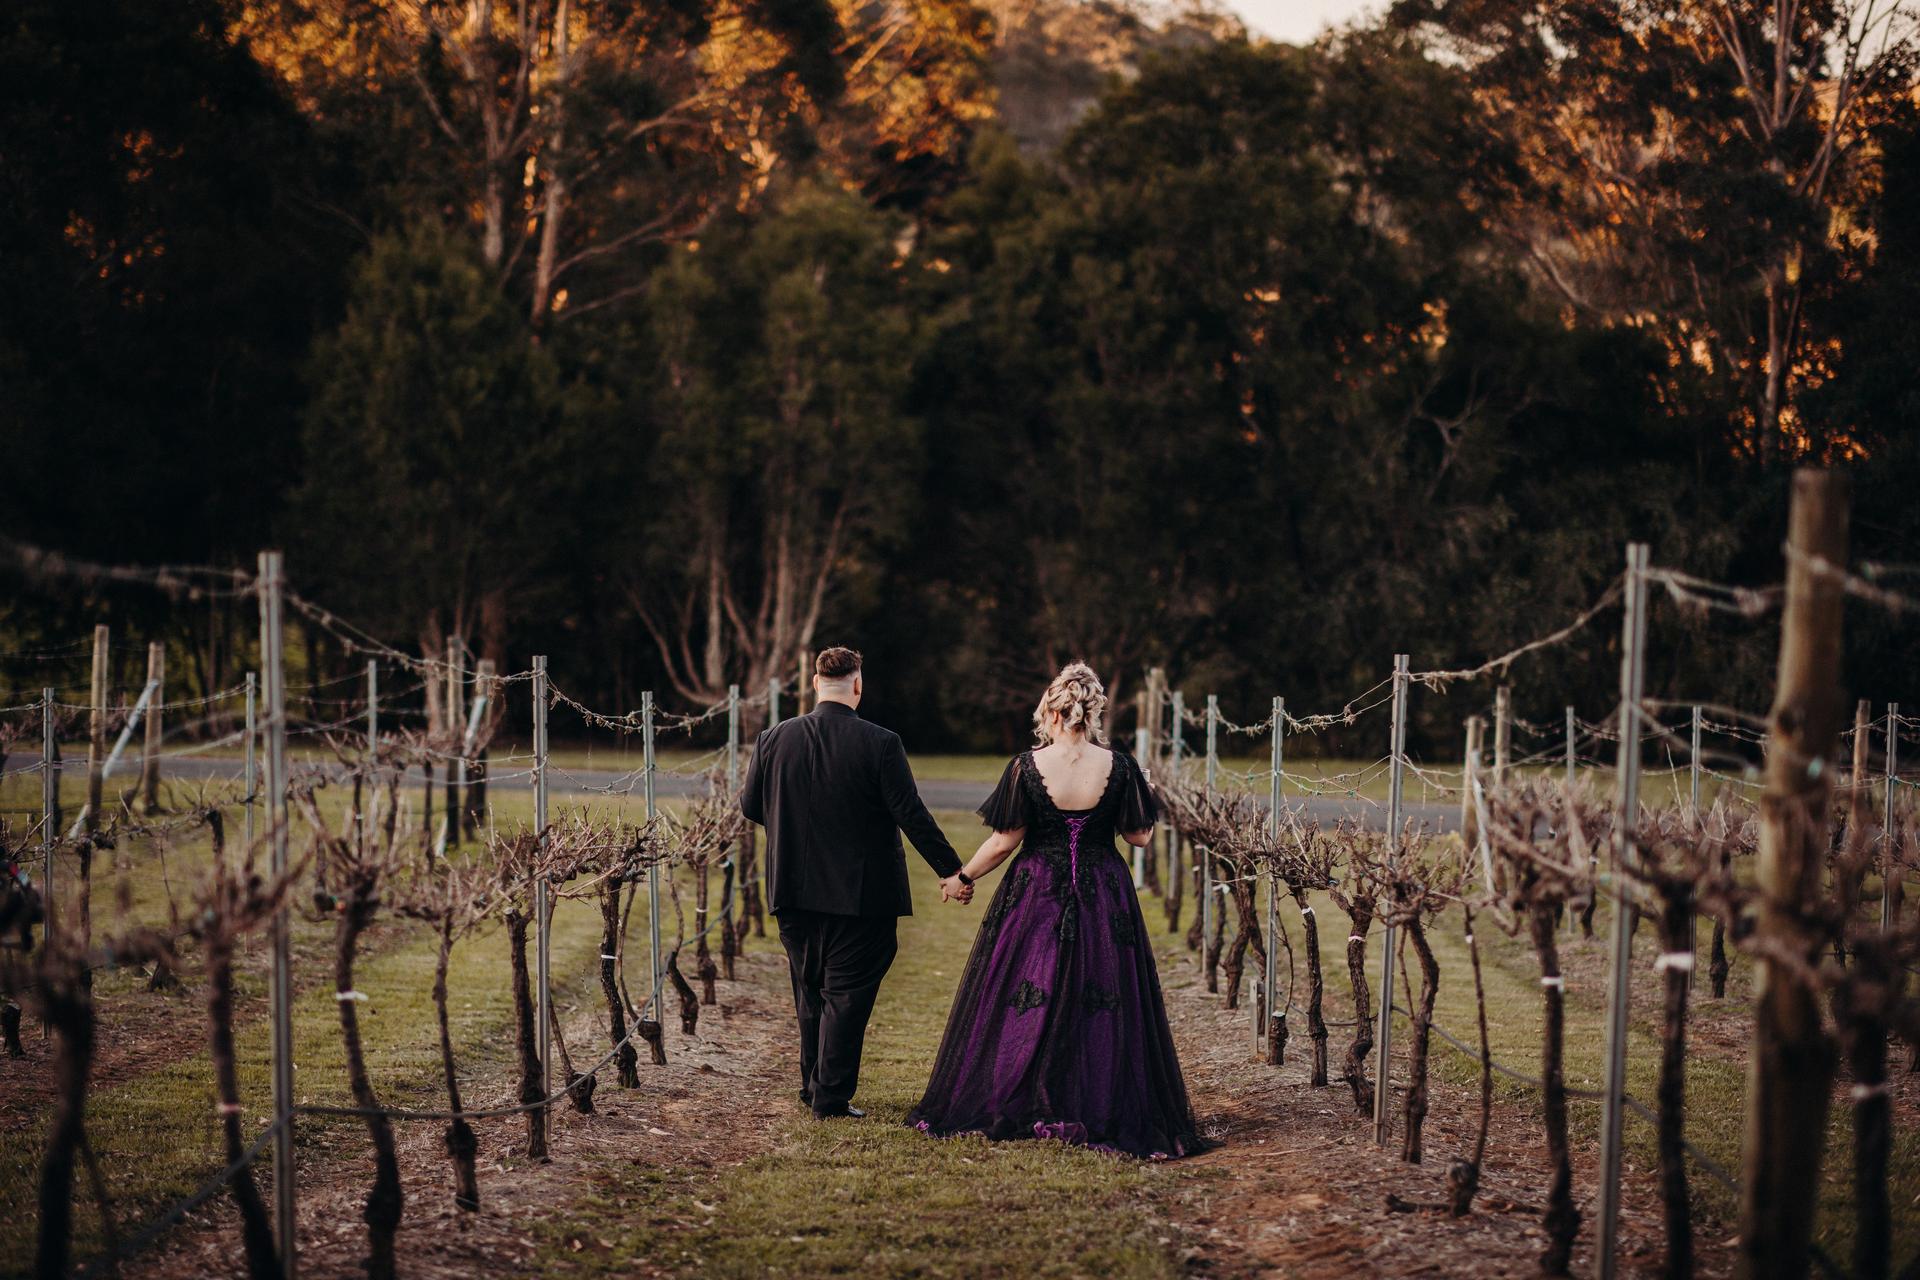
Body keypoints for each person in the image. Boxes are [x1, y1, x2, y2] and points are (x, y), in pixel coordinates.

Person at [906, 662, 1206, 1159]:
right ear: (1094, 712)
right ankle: (1094, 1097)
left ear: (1050, 709)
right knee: (1102, 992)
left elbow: (1004, 842)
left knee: (1029, 990)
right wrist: (1144, 788)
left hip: (1037, 890)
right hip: (1102, 890)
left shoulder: (1027, 765)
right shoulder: (1122, 767)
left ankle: (1023, 1091)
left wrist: (962, 878)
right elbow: (1139, 836)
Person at [738, 646, 973, 1120]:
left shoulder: (773, 738)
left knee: (810, 989)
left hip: (792, 889)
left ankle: (814, 1085)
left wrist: (797, 828)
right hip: (861, 895)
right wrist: (951, 871)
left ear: (814, 683)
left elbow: (750, 806)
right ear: (858, 685)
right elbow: (910, 812)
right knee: (846, 995)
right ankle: (830, 1097)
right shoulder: (880, 743)